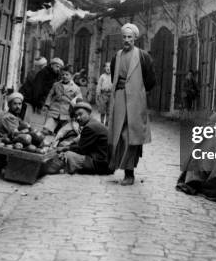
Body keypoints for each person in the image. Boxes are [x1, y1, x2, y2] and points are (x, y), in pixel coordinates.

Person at [108, 23, 156, 185]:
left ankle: (130, 174)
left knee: (131, 137)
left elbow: (151, 81)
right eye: (124, 37)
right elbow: (113, 77)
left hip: (135, 102)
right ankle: (116, 165)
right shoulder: (117, 56)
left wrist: (138, 92)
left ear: (135, 38)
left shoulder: (143, 56)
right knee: (119, 136)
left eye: (130, 37)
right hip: (120, 99)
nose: (127, 40)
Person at [57, 100, 112, 175]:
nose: (78, 118)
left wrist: (66, 148)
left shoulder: (90, 127)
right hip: (106, 164)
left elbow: (81, 149)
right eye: (76, 116)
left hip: (101, 165)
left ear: (89, 113)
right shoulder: (93, 123)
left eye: (80, 114)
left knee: (67, 155)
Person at [42, 67, 82, 135]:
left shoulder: (76, 88)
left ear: (71, 76)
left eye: (67, 74)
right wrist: (47, 105)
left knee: (66, 132)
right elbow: (50, 95)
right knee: (46, 130)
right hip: (55, 110)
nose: (64, 76)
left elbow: (79, 100)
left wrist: (77, 110)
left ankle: (59, 131)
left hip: (67, 112)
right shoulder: (56, 85)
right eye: (63, 74)